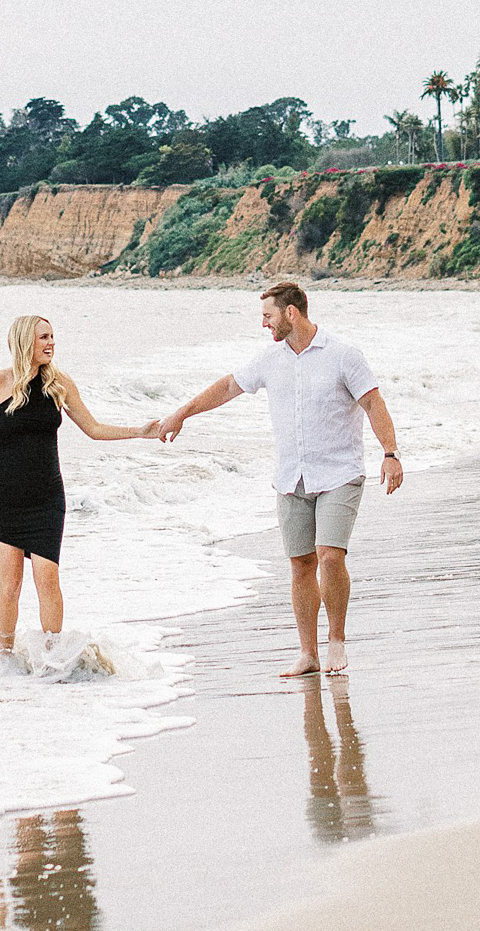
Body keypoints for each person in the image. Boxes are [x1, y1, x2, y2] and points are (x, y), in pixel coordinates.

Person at [158, 282, 402, 677]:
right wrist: (182, 413)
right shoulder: (270, 360)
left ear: (291, 313)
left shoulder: (343, 355)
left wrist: (390, 453)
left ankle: (336, 639)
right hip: (291, 477)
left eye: (268, 316)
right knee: (301, 564)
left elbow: (373, 402)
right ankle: (308, 654)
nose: (264, 325)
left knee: (329, 554)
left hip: (340, 472)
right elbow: (227, 387)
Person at [0, 315, 160, 652]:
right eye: (43, 337)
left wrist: (138, 431)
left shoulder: (59, 384)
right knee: (10, 584)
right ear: (26, 341)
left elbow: (93, 429)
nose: (51, 343)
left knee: (48, 579)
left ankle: (52, 657)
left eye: (52, 336)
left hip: (46, 497)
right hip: (2, 495)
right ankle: (5, 657)